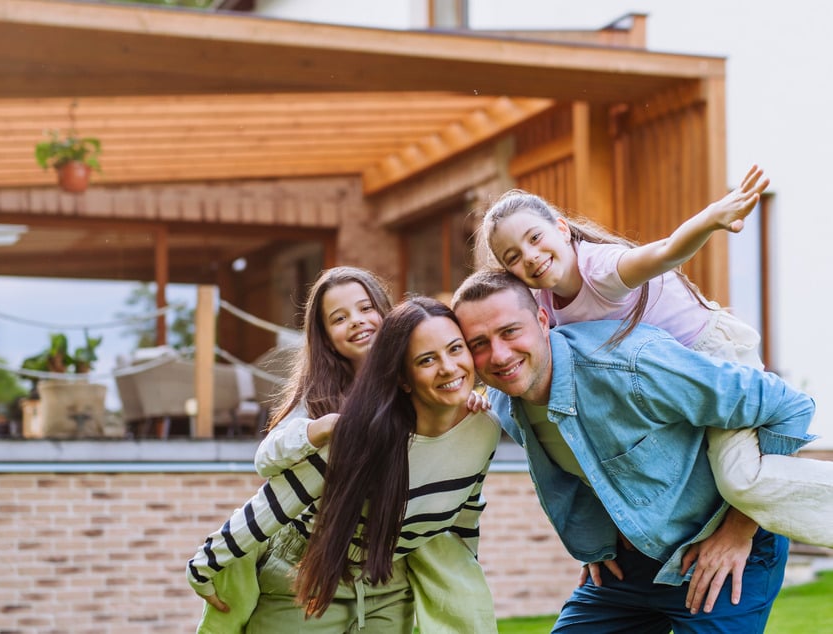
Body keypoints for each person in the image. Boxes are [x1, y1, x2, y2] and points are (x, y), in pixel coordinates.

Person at [478, 165, 833, 549]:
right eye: (514, 257)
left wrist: (710, 220)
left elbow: (665, 252)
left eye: (535, 238)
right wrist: (478, 396)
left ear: (561, 229)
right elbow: (519, 350)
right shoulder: (542, 304)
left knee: (739, 479)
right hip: (671, 383)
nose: (530, 256)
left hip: (713, 356)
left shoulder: (602, 270)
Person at [451, 269, 817, 632]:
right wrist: (595, 542)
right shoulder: (504, 404)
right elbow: (582, 467)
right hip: (629, 562)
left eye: (510, 331)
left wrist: (739, 530)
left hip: (722, 546)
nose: (499, 355)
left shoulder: (632, 365)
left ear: (543, 321)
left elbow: (788, 407)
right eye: (478, 343)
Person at [189, 274, 499, 632]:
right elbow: (275, 492)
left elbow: (465, 510)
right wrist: (206, 564)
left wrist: (456, 400)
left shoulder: (479, 426)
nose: (357, 321)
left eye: (366, 308)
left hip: (387, 574)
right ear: (402, 374)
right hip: (311, 565)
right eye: (339, 317)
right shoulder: (339, 416)